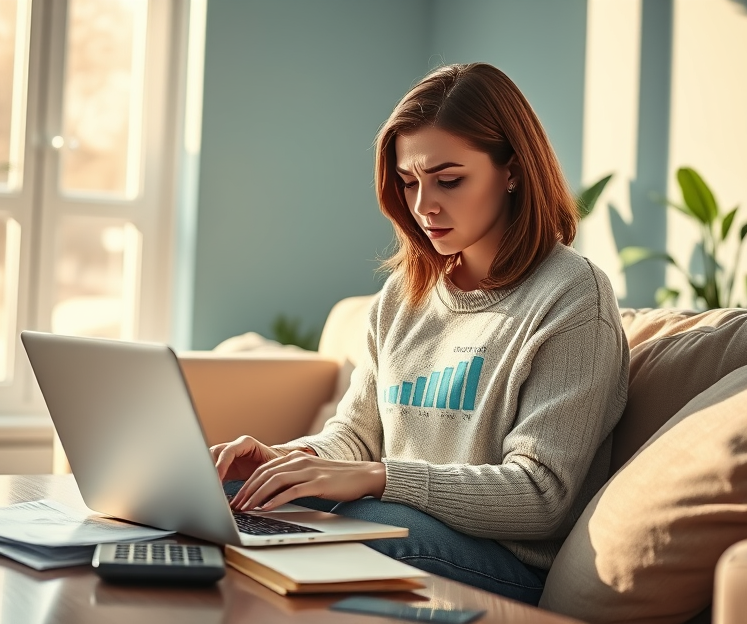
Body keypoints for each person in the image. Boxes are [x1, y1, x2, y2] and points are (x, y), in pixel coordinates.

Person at [209, 63, 629, 606]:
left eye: (449, 180)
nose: (424, 205)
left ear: (513, 170)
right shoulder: (404, 294)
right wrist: (285, 461)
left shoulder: (573, 296)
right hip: (393, 516)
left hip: (505, 560)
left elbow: (540, 493)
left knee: (362, 522)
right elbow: (355, 436)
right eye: (409, 183)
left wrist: (380, 478)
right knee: (227, 495)